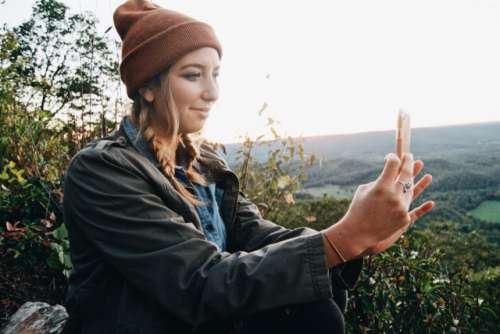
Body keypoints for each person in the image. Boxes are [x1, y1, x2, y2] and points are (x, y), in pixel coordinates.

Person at [61, 1, 435, 333]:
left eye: (216, 74)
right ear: (148, 87)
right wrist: (342, 239)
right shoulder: (101, 171)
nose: (212, 92)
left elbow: (259, 237)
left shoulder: (205, 162)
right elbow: (199, 282)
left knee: (315, 313)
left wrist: (356, 241)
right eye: (193, 75)